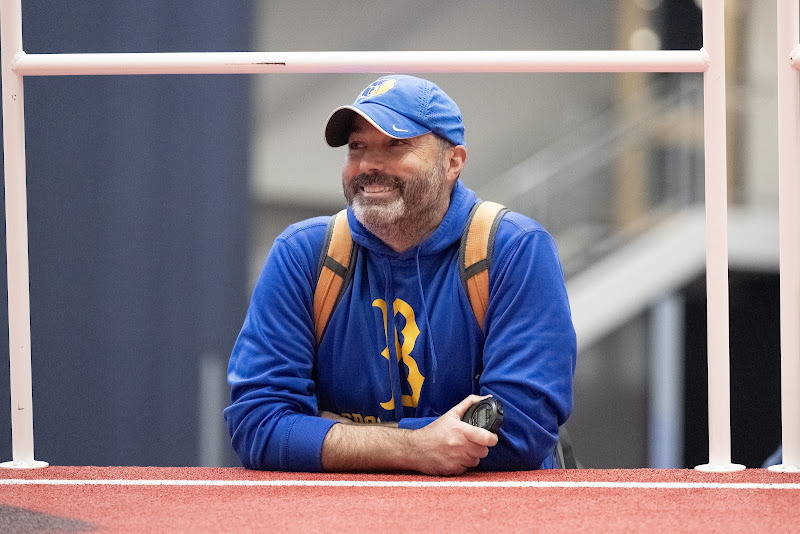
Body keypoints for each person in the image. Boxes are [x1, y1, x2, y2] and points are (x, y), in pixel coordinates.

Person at [224, 75, 576, 474]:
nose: (369, 164)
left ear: (453, 162)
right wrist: (413, 447)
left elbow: (521, 430)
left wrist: (327, 433)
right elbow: (258, 427)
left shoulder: (514, 249)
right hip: (346, 515)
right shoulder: (303, 254)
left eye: (396, 144)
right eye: (357, 147)